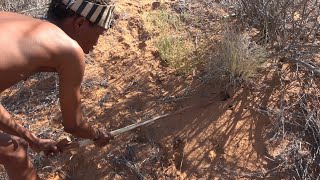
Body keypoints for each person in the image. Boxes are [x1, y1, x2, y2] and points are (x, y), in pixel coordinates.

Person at [0, 0, 115, 179]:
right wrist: (97, 134)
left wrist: (33, 140)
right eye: (99, 33)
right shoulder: (69, 49)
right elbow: (74, 125)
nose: (96, 43)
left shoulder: (17, 24)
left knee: (17, 148)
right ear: (80, 23)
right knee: (15, 153)